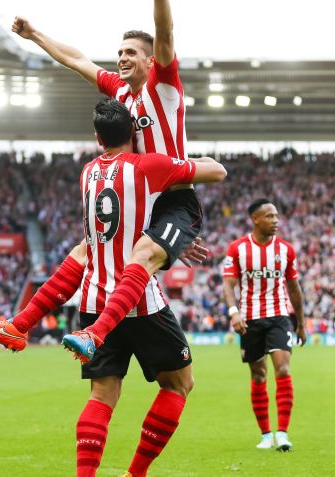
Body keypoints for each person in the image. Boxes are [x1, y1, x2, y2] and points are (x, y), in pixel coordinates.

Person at [0, 0, 212, 360]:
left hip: (172, 198)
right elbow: (77, 60)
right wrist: (34, 34)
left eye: (131, 52)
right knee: (86, 252)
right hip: (138, 196)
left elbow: (165, 31)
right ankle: (18, 326)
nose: (122, 58)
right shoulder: (119, 92)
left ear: (151, 61)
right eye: (120, 52)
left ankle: (95, 334)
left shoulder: (163, 86)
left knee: (142, 253)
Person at [50, 99, 227, 476]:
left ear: (97, 138)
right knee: (179, 384)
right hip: (139, 299)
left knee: (101, 396)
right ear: (134, 131)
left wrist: (173, 239)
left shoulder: (87, 173)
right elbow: (216, 171)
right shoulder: (146, 167)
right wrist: (174, 229)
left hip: (95, 299)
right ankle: (136, 473)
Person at [222, 199, 306, 452]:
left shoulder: (286, 250)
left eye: (276, 216)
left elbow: (294, 288)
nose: (275, 221)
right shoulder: (237, 249)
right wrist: (234, 313)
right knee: (258, 374)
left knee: (283, 369)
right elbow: (228, 285)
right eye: (270, 216)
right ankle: (266, 434)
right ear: (255, 219)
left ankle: (282, 434)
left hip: (279, 316)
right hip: (249, 320)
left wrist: (301, 323)